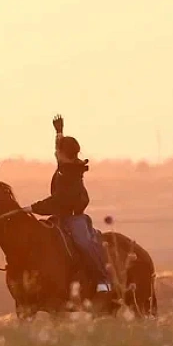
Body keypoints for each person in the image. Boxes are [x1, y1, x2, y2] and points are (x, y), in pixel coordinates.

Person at [23, 115, 112, 295]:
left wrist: (32, 208)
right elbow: (59, 147)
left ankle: (104, 280)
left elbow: (57, 201)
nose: (55, 152)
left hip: (74, 218)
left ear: (65, 155)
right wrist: (59, 132)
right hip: (60, 217)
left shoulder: (71, 175)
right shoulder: (64, 165)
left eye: (58, 151)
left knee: (84, 243)